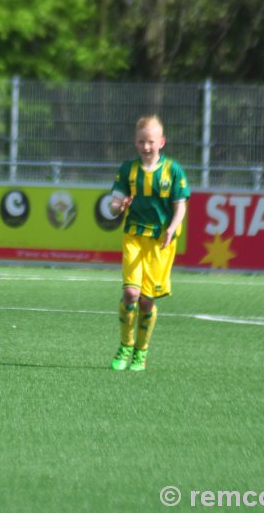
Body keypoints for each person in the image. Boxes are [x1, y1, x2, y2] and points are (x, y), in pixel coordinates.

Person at [108, 115, 190, 371]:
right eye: (141, 141)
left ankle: (141, 353)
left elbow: (180, 206)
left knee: (146, 300)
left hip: (160, 242)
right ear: (135, 142)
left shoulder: (173, 171)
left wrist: (173, 228)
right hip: (133, 236)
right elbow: (112, 207)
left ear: (161, 142)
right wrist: (118, 206)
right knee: (130, 293)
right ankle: (125, 346)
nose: (145, 146)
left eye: (150, 142)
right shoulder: (128, 170)